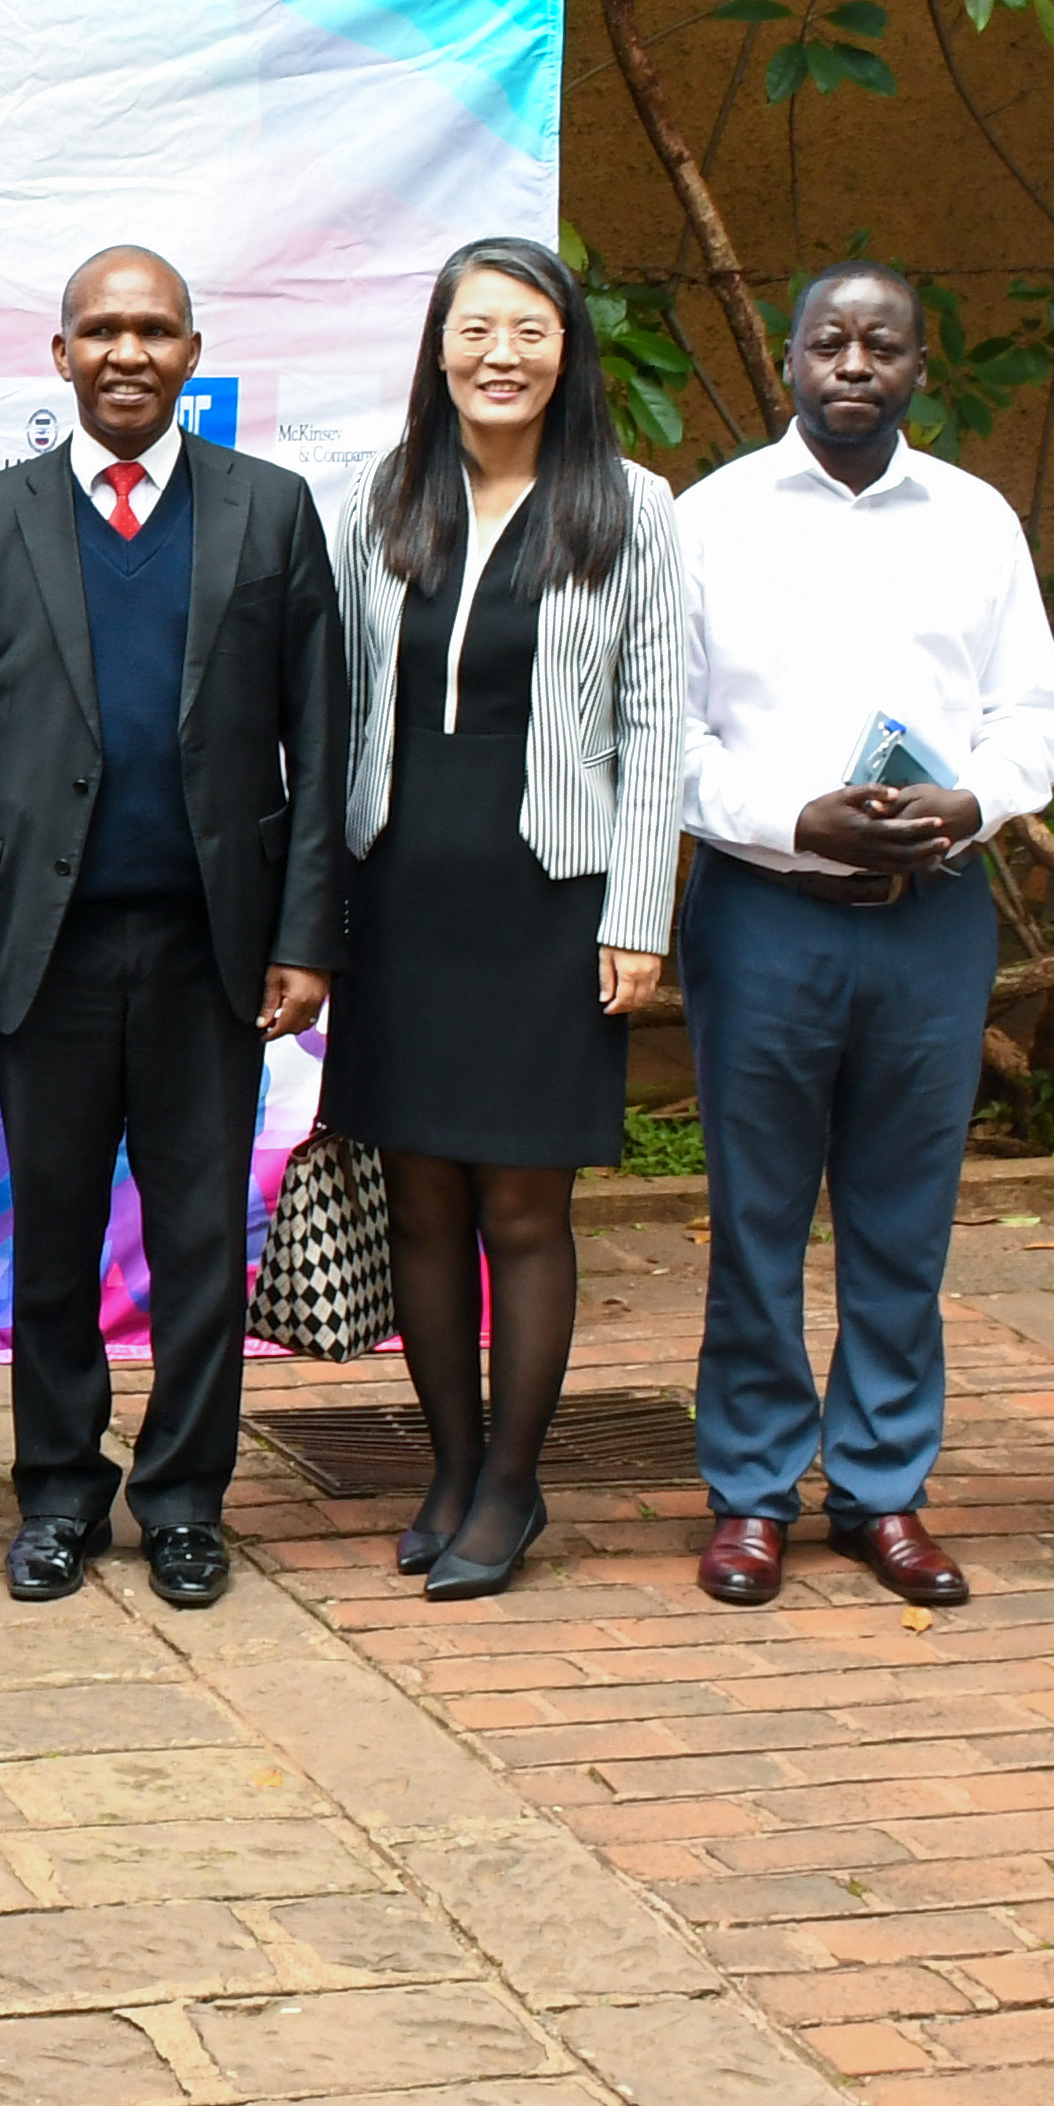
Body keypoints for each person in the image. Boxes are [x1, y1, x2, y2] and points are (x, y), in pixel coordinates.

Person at [0, 248, 347, 1611]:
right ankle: (56, 1493)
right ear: (58, 356)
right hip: (44, 951)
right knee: (45, 1241)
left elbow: (319, 744)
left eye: (153, 331)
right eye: (100, 330)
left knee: (201, 1243)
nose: (126, 353)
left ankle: (181, 1499)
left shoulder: (270, 515)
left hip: (211, 951)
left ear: (192, 352)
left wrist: (305, 934)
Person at [672, 261, 1054, 1609]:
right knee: (758, 1215)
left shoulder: (971, 522)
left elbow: (1038, 718)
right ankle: (749, 1493)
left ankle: (884, 1490)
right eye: (829, 342)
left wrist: (978, 799)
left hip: (932, 918)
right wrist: (794, 816)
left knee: (906, 1220)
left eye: (883, 344)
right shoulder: (711, 519)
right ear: (791, 360)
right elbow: (665, 738)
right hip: (766, 914)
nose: (854, 364)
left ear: (916, 368)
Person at [327, 236, 687, 1602]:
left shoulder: (632, 509)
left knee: (524, 1209)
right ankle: (449, 1465)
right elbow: (342, 711)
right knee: (420, 1199)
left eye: (528, 331)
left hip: (553, 896)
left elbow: (657, 730)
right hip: (401, 890)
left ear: (565, 350)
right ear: (437, 348)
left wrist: (638, 911)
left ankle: (517, 1484)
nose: (501, 355)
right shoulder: (381, 502)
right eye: (477, 329)